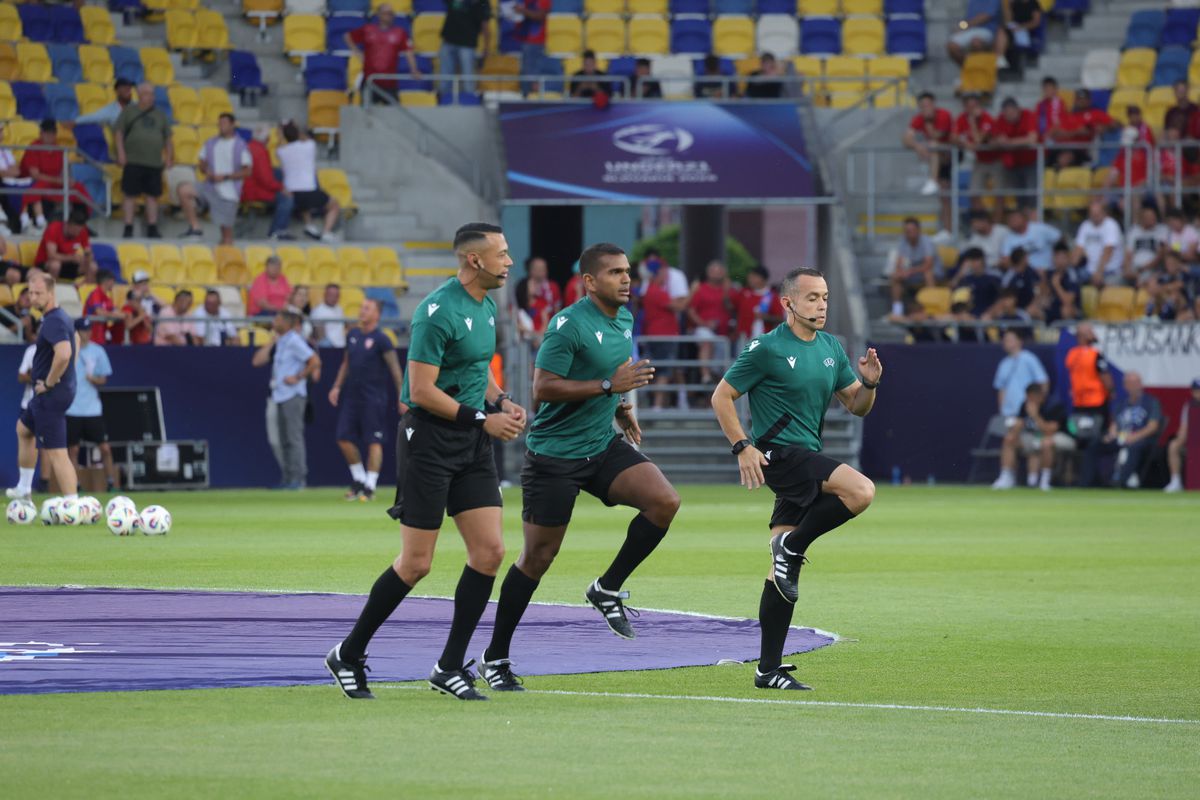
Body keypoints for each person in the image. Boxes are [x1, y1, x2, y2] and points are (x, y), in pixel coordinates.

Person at [325, 222, 527, 702]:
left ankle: (450, 665)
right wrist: (483, 419)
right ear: (473, 260)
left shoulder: (487, 303)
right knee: (416, 563)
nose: (509, 261)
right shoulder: (435, 312)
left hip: (472, 441)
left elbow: (474, 371)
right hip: (429, 442)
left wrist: (501, 401)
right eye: (501, 253)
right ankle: (348, 654)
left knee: (490, 553)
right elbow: (420, 392)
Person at [479, 243, 676, 690]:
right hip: (555, 456)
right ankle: (495, 658)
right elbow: (542, 388)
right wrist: (608, 384)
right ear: (589, 281)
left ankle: (606, 588)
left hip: (600, 443)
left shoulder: (623, 317)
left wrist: (619, 403)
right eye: (614, 273)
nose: (626, 279)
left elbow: (614, 368)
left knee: (664, 501)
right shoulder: (567, 325)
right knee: (537, 559)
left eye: (627, 272)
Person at [711, 267, 881, 691]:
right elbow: (722, 396)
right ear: (788, 303)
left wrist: (871, 384)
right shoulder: (766, 348)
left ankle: (767, 670)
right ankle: (794, 544)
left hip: (804, 455)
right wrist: (742, 446)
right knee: (862, 491)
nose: (821, 305)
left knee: (780, 573)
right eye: (812, 298)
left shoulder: (830, 347)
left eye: (824, 297)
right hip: (779, 454)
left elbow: (856, 406)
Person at [6, 271, 78, 503]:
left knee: (57, 452)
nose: (33, 297)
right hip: (52, 393)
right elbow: (74, 339)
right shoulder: (59, 317)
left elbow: (64, 353)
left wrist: (51, 381)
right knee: (23, 429)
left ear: (50, 292)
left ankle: (73, 504)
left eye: (38, 293)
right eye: (31, 292)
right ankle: (24, 488)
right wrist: (66, 376)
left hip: (50, 394)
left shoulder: (53, 321)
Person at [328, 298, 405, 502]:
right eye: (361, 308)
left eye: (367, 308)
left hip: (374, 398)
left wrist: (402, 396)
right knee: (343, 438)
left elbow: (395, 370)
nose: (362, 311)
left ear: (377, 314)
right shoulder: (352, 335)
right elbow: (346, 363)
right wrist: (336, 386)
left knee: (374, 440)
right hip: (352, 397)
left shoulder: (382, 339)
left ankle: (370, 485)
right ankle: (359, 479)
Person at [253, 306, 321, 489]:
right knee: (284, 440)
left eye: (278, 319)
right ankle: (288, 478)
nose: (274, 322)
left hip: (293, 395)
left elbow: (315, 361)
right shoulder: (282, 341)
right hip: (281, 395)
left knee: (293, 438)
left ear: (288, 323)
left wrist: (298, 377)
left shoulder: (294, 341)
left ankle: (298, 479)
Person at [115, 82, 173, 239]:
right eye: (148, 93)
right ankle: (128, 227)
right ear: (140, 95)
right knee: (130, 195)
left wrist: (168, 157)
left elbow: (167, 138)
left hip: (154, 162)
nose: (151, 97)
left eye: (152, 94)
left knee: (152, 196)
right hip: (133, 160)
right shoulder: (129, 111)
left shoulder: (160, 114)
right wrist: (121, 153)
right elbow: (119, 133)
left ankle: (152, 227)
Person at [994, 382, 1071, 491]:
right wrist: (1014, 432)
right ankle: (1006, 477)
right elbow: (1020, 422)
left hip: (1058, 436)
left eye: (1031, 397)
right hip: (1034, 437)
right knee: (1009, 440)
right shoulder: (1025, 404)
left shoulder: (1054, 405)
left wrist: (1035, 415)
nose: (1029, 400)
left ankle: (1045, 481)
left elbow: (1049, 431)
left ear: (1039, 395)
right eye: (1028, 397)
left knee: (1046, 443)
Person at [65, 334, 118, 491]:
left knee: (105, 448)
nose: (85, 333)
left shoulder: (98, 351)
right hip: (72, 408)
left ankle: (111, 483)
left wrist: (93, 379)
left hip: (92, 409)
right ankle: (75, 485)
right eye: (81, 330)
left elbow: (103, 379)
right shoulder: (68, 350)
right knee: (73, 450)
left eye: (87, 330)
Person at [1066, 321, 1113, 486]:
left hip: (1084, 404)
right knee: (1091, 442)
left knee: (1088, 442)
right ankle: (1087, 479)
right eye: (1090, 331)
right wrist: (1111, 393)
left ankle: (1089, 478)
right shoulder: (1094, 354)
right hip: (1093, 404)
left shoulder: (1072, 354)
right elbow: (1106, 379)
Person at [276, 122, 340, 242]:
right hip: (308, 189)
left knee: (305, 204)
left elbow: (282, 143)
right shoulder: (309, 145)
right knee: (334, 205)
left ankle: (309, 225)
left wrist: (281, 133)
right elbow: (305, 137)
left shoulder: (281, 151)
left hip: (292, 192)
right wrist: (297, 128)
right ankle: (326, 232)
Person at [1098, 372, 1163, 489]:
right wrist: (1112, 434)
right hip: (1121, 437)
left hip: (1142, 439)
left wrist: (1134, 437)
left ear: (1140, 384)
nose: (1133, 386)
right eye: (1129, 383)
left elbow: (1153, 426)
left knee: (1134, 446)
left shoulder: (1151, 402)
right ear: (1125, 385)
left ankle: (1120, 481)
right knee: (1096, 444)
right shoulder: (1121, 404)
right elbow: (1114, 424)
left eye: (1135, 383)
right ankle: (1089, 482)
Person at [196, 113, 252, 247]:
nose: (221, 126)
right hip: (210, 187)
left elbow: (247, 171)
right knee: (185, 190)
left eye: (224, 123)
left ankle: (225, 256)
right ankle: (195, 227)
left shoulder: (240, 146)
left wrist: (225, 177)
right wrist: (206, 170)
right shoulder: (211, 143)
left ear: (232, 125)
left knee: (226, 233)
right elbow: (201, 162)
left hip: (229, 192)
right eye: (219, 123)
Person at [346, 4, 419, 103]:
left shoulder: (399, 33)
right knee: (366, 114)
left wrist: (414, 69)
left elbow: (408, 52)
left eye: (391, 14)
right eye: (385, 13)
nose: (388, 16)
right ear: (379, 15)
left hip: (390, 82)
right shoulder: (368, 30)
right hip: (370, 81)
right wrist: (358, 53)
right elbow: (348, 37)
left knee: (395, 113)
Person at [991, 328, 1048, 451]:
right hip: (1010, 413)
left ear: (1019, 341)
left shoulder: (1029, 359)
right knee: (1010, 439)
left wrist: (1039, 405)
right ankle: (1007, 470)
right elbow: (1001, 389)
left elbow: (1043, 382)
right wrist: (1002, 411)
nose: (1007, 342)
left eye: (1010, 339)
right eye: (1005, 340)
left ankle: (1035, 470)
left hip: (1027, 412)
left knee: (1031, 441)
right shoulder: (1003, 364)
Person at [903, 92, 953, 230]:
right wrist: (917, 146)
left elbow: (937, 136)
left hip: (951, 154)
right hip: (935, 157)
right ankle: (947, 230)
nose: (925, 108)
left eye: (928, 105)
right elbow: (906, 139)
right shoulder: (918, 119)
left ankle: (933, 180)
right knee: (943, 198)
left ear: (934, 105)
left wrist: (928, 128)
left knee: (933, 145)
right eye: (922, 106)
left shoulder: (944, 115)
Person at [639, 257, 681, 410]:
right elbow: (678, 306)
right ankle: (657, 406)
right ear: (656, 273)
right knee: (663, 371)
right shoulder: (656, 291)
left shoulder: (650, 290)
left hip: (656, 335)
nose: (666, 276)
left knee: (656, 371)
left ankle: (653, 404)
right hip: (663, 336)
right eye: (663, 272)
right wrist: (692, 293)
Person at [687, 260, 737, 384]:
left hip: (723, 333)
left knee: (719, 369)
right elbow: (691, 311)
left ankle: (711, 394)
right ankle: (705, 375)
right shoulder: (701, 288)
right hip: (703, 328)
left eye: (719, 271)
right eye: (713, 271)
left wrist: (726, 292)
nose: (716, 274)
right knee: (707, 341)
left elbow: (733, 308)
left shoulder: (730, 290)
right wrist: (704, 323)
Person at [242, 124, 294, 240]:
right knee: (287, 199)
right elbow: (266, 180)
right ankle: (277, 230)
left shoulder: (248, 146)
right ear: (266, 139)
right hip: (254, 191)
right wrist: (282, 188)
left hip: (247, 187)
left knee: (277, 172)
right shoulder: (260, 151)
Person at [955, 94, 1002, 213]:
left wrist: (972, 123)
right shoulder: (961, 118)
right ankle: (983, 221)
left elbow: (978, 140)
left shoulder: (986, 118)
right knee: (973, 193)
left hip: (996, 159)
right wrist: (965, 144)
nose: (972, 110)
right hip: (980, 160)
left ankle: (996, 224)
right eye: (969, 107)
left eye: (974, 106)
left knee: (1000, 194)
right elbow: (953, 136)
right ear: (964, 107)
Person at [886, 217, 941, 319]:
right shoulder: (903, 243)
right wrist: (900, 272)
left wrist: (910, 271)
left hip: (932, 273)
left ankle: (932, 309)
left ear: (918, 230)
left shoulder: (926, 241)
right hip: (913, 274)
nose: (909, 234)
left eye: (912, 231)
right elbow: (899, 263)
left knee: (928, 273)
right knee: (895, 277)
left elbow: (928, 264)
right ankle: (897, 311)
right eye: (907, 231)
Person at [19, 120, 67, 231]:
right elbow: (35, 175)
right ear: (41, 133)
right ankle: (40, 222)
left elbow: (63, 172)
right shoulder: (34, 147)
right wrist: (57, 180)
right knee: (39, 185)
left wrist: (65, 181)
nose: (50, 135)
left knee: (77, 187)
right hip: (31, 183)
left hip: (52, 184)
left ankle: (80, 221)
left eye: (53, 133)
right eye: (47, 132)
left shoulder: (59, 149)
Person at [992, 97, 1039, 204]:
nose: (1010, 116)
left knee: (1032, 194)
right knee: (1019, 197)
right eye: (1007, 113)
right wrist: (998, 141)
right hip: (1014, 163)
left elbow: (1032, 139)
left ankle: (1033, 220)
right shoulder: (1001, 119)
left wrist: (1009, 142)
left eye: (1012, 112)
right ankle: (1023, 219)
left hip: (1030, 161)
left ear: (1018, 109)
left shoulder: (1028, 115)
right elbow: (993, 140)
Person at [439, 0, 491, 96]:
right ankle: (443, 101)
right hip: (448, 41)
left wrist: (486, 47)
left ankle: (470, 100)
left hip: (467, 44)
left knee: (468, 77)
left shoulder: (483, 2)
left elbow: (485, 25)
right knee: (445, 77)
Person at [1071, 199, 1123, 286]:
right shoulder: (1085, 225)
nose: (1095, 215)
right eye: (1093, 213)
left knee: (1100, 282)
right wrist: (1069, 268)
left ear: (1104, 213)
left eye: (1097, 212)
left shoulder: (1111, 225)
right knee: (1070, 279)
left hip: (1109, 270)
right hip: (1089, 270)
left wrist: (1099, 272)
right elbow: (1078, 249)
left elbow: (1108, 251)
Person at [34, 206, 93, 281]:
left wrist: (87, 257)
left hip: (68, 263)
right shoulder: (54, 229)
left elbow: (88, 251)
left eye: (79, 231)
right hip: (46, 263)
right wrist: (71, 258)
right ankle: (50, 289)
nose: (77, 234)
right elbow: (52, 255)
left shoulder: (82, 232)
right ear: (68, 224)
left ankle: (85, 289)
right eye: (75, 230)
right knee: (55, 265)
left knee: (92, 266)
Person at [947, 0, 1007, 69]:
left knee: (976, 42)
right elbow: (967, 18)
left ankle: (986, 71)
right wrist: (960, 28)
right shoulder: (972, 1)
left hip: (987, 30)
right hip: (970, 30)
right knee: (951, 46)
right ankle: (970, 70)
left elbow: (986, 16)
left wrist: (966, 25)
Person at [1164, 378, 1200, 493]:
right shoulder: (1189, 406)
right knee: (1173, 445)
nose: (1198, 393)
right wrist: (1181, 439)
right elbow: (1184, 429)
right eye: (1196, 390)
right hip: (1193, 443)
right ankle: (1176, 481)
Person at [1001, 206, 1062, 273]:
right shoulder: (1008, 238)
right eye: (1010, 220)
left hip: (1048, 270)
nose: (1012, 221)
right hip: (1023, 275)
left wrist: (1058, 257)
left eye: (1015, 218)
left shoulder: (1040, 229)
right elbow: (1006, 261)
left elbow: (1060, 239)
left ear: (1024, 218)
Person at [513, 0, 551, 97]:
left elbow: (541, 16)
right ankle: (526, 100)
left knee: (532, 76)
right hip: (524, 40)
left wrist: (522, 11)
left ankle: (532, 103)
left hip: (535, 42)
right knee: (526, 74)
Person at [735, 265, 784, 339]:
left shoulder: (772, 297)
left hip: (764, 339)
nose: (750, 279)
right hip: (744, 337)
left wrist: (766, 317)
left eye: (753, 277)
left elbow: (780, 318)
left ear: (763, 279)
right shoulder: (743, 292)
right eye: (749, 277)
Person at [1123, 204, 1167, 285]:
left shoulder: (1162, 230)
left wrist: (1143, 269)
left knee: (1142, 280)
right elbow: (1128, 253)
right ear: (1142, 219)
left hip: (1151, 269)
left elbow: (1160, 254)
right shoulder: (1134, 231)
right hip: (1134, 267)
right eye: (1149, 217)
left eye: (1154, 216)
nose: (1153, 218)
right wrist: (1127, 269)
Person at [952, 247, 1000, 318]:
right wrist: (961, 274)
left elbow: (1000, 299)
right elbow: (953, 290)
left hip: (988, 315)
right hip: (968, 316)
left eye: (976, 260)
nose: (973, 263)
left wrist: (990, 313)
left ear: (982, 260)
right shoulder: (966, 279)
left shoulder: (993, 278)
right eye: (971, 260)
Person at [1044, 241, 1083, 323]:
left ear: (1068, 258)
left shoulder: (1072, 274)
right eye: (1057, 257)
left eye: (1063, 258)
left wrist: (1057, 285)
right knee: (1034, 309)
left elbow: (1068, 301)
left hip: (1072, 308)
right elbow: (1044, 294)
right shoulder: (1049, 273)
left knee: (1065, 310)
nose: (1060, 261)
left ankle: (1067, 334)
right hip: (1053, 306)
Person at [83, 269, 123, 344]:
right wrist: (116, 315)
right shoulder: (96, 293)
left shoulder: (107, 298)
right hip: (91, 334)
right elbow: (99, 311)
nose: (114, 284)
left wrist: (123, 315)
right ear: (107, 281)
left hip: (101, 334)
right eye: (113, 281)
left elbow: (117, 312)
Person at [119, 270, 156, 346]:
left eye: (139, 300)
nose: (138, 303)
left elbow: (150, 329)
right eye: (141, 283)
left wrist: (143, 316)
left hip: (145, 342)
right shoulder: (127, 307)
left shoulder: (143, 308)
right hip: (131, 343)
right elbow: (129, 325)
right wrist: (141, 316)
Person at [310, 283, 347, 347]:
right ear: (325, 295)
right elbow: (320, 335)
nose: (334, 298)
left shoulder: (339, 309)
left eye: (336, 295)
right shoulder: (318, 311)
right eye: (331, 295)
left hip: (341, 344)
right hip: (329, 346)